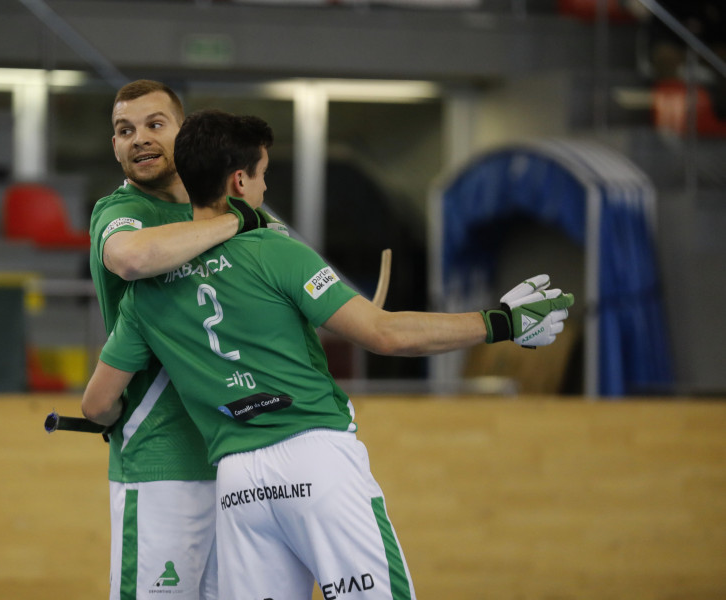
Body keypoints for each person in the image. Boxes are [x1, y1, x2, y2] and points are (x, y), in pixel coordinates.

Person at [82, 108, 575, 598]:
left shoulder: (143, 297)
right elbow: (385, 335)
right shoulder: (276, 250)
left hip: (236, 485)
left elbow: (96, 404)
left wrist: (116, 415)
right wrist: (502, 322)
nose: (265, 189)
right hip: (315, 460)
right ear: (238, 181)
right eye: (262, 176)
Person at [88, 80, 285, 600]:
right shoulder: (119, 211)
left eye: (156, 124)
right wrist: (238, 221)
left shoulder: (229, 211)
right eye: (124, 131)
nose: (139, 139)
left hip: (242, 460)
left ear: (186, 132)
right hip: (161, 461)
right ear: (114, 146)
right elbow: (130, 258)